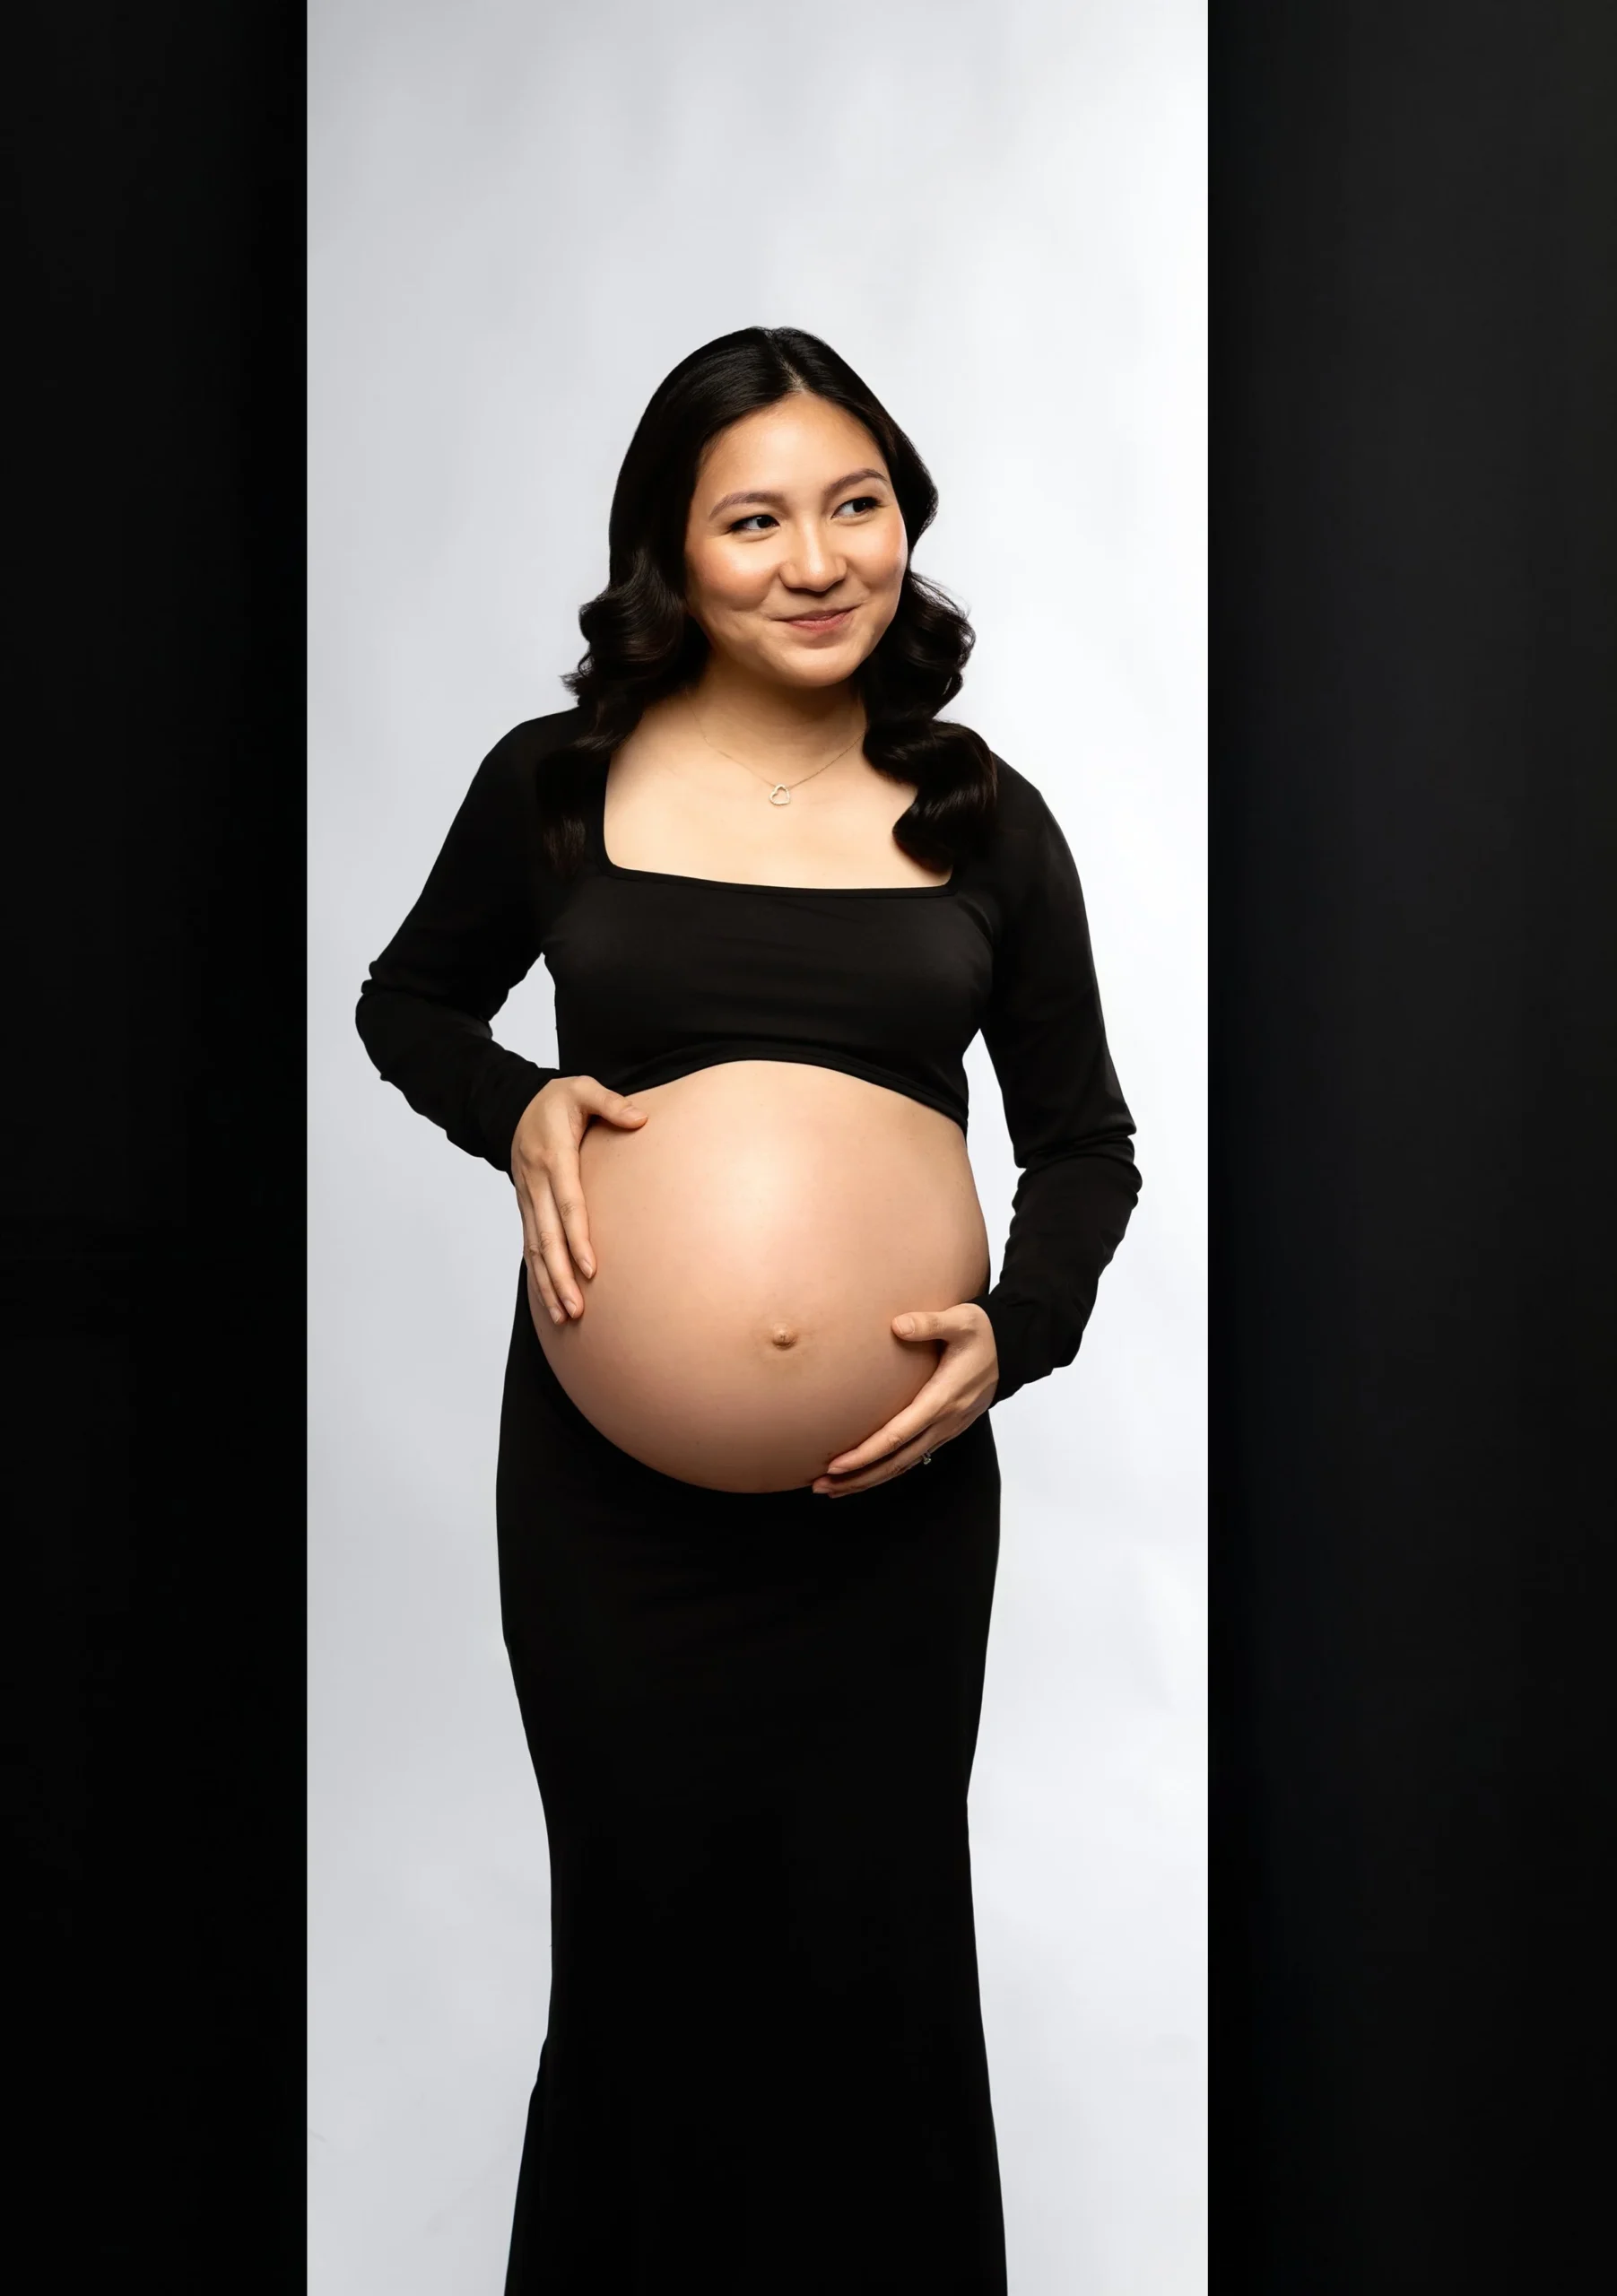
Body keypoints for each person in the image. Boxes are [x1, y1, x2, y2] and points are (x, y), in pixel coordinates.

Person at [355, 324, 1140, 2294]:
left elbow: (1088, 1142)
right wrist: (520, 1101)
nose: (817, 560)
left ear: (905, 524)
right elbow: (406, 1003)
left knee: (871, 1954)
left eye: (855, 506)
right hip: (612, 1515)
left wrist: (1015, 1327)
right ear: (671, 554)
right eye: (755, 518)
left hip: (884, 1507)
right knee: (640, 1949)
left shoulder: (980, 814)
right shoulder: (560, 783)